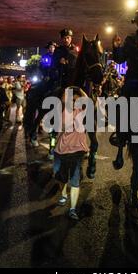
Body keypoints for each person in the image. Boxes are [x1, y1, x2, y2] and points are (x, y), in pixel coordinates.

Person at [111, 7, 138, 213]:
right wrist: (116, 47)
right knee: (125, 98)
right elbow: (119, 59)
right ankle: (121, 137)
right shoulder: (130, 39)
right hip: (136, 81)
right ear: (137, 22)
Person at [53, 87, 89, 221]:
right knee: (59, 176)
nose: (74, 102)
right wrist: (68, 90)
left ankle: (73, 209)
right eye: (72, 100)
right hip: (60, 150)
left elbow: (88, 100)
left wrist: (79, 89)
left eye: (77, 100)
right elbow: (63, 99)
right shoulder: (63, 111)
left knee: (74, 180)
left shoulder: (82, 111)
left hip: (77, 151)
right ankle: (63, 194)